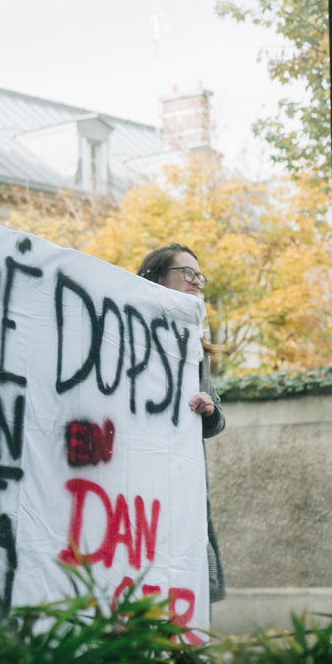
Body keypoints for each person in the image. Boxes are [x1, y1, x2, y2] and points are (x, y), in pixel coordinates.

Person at [137, 243, 226, 603]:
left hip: (183, 482)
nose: (196, 281)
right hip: (142, 480)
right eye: (186, 273)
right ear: (158, 278)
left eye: (199, 276)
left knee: (190, 588)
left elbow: (216, 421)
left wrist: (209, 409)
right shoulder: (128, 331)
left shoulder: (194, 345)